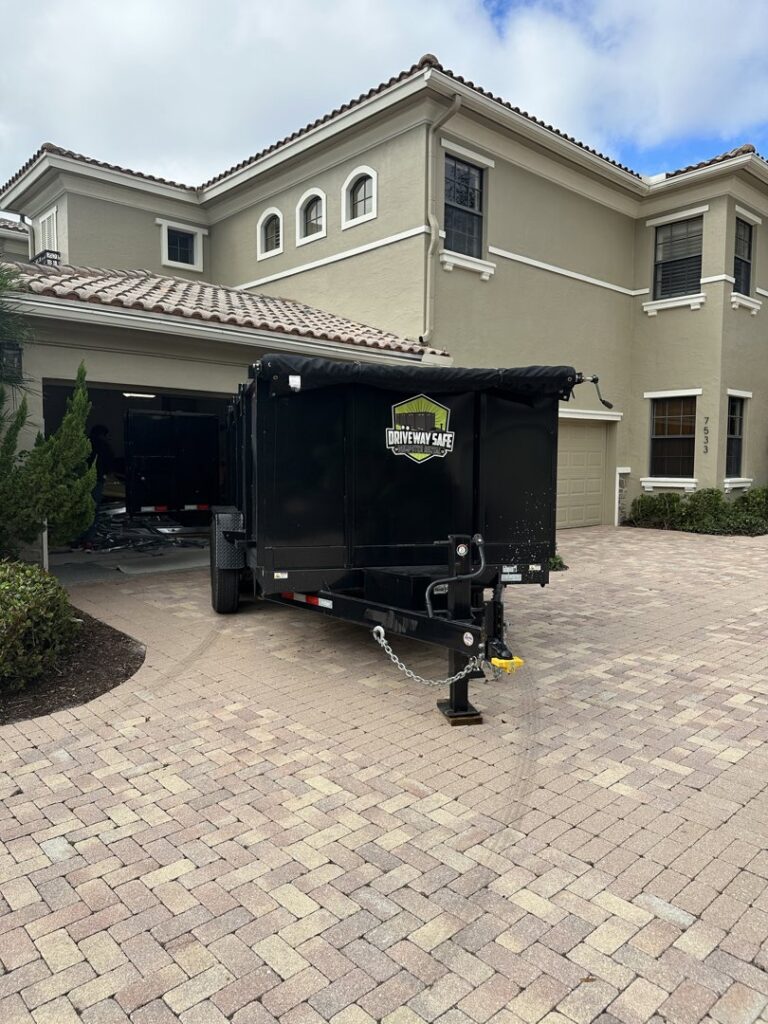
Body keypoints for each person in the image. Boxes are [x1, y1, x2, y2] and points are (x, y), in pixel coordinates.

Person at [74, 425, 115, 549]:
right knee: (93, 510)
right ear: (103, 434)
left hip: (80, 481)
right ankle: (88, 540)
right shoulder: (104, 446)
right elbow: (110, 463)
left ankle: (77, 538)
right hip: (96, 480)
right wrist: (104, 474)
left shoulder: (82, 443)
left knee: (80, 509)